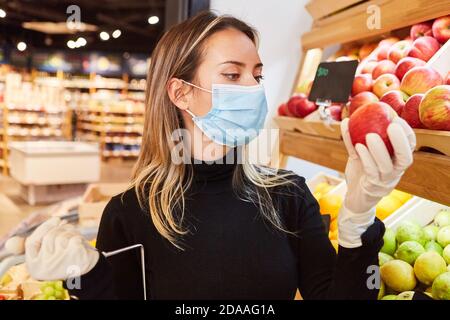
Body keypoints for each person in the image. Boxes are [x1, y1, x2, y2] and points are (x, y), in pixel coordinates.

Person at [24, 11, 415, 300]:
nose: (253, 87)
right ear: (180, 93)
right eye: (232, 75)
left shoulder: (289, 196)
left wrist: (358, 223)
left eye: (257, 75)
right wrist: (84, 277)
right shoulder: (129, 213)